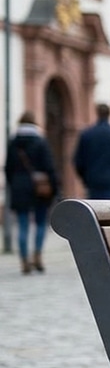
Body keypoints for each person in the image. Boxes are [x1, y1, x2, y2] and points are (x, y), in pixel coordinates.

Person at [4, 112, 59, 274]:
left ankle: (24, 260)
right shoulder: (40, 142)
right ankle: (38, 255)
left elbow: (8, 168)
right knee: (41, 223)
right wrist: (53, 189)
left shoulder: (13, 142)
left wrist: (13, 184)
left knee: (22, 225)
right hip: (39, 188)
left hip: (19, 187)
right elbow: (49, 167)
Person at [73, 102, 110, 199]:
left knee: (95, 211)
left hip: (93, 183)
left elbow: (78, 161)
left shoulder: (87, 135)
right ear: (109, 114)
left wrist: (86, 178)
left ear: (97, 113)